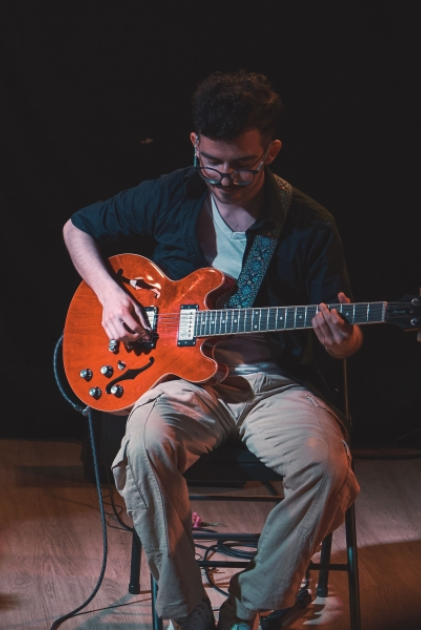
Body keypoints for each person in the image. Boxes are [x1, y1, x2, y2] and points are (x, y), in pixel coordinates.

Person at [61, 71, 361, 630]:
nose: (226, 177)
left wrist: (345, 340)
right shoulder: (174, 191)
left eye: (244, 164)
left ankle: (254, 605)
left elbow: (341, 335)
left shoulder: (310, 224)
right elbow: (77, 228)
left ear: (270, 150)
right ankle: (185, 612)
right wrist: (108, 297)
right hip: (184, 381)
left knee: (329, 468)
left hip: (276, 384)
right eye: (213, 161)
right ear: (195, 143)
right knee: (145, 444)